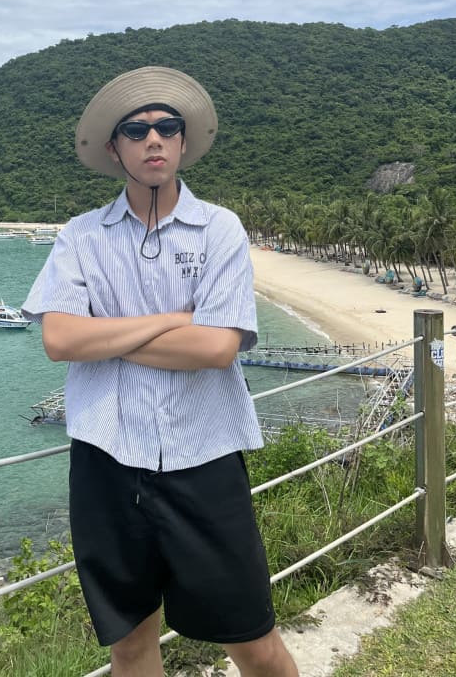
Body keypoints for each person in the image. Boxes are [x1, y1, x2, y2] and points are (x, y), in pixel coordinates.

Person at [22, 66, 298, 677]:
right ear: (113, 147)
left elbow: (218, 347)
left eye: (167, 127)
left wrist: (106, 336)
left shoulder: (219, 228)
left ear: (182, 141)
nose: (153, 139)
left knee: (253, 641)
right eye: (136, 129)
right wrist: (173, 321)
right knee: (129, 645)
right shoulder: (81, 237)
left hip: (205, 457)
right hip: (106, 463)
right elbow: (60, 339)